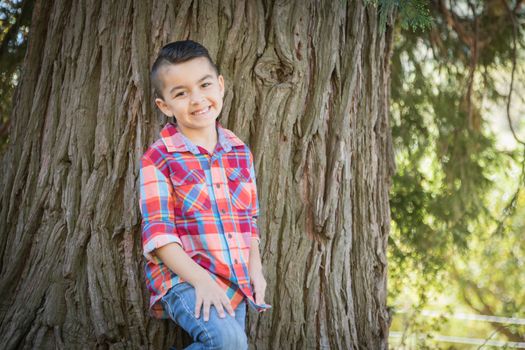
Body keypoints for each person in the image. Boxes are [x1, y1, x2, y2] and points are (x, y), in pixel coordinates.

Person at [139, 40, 270, 349]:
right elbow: (159, 238)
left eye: (204, 85)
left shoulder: (239, 152)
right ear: (165, 106)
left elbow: (249, 220)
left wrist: (256, 270)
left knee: (232, 346)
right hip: (183, 279)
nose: (197, 99)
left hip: (233, 281)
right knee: (228, 342)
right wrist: (200, 280)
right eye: (181, 93)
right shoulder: (159, 158)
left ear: (220, 86)